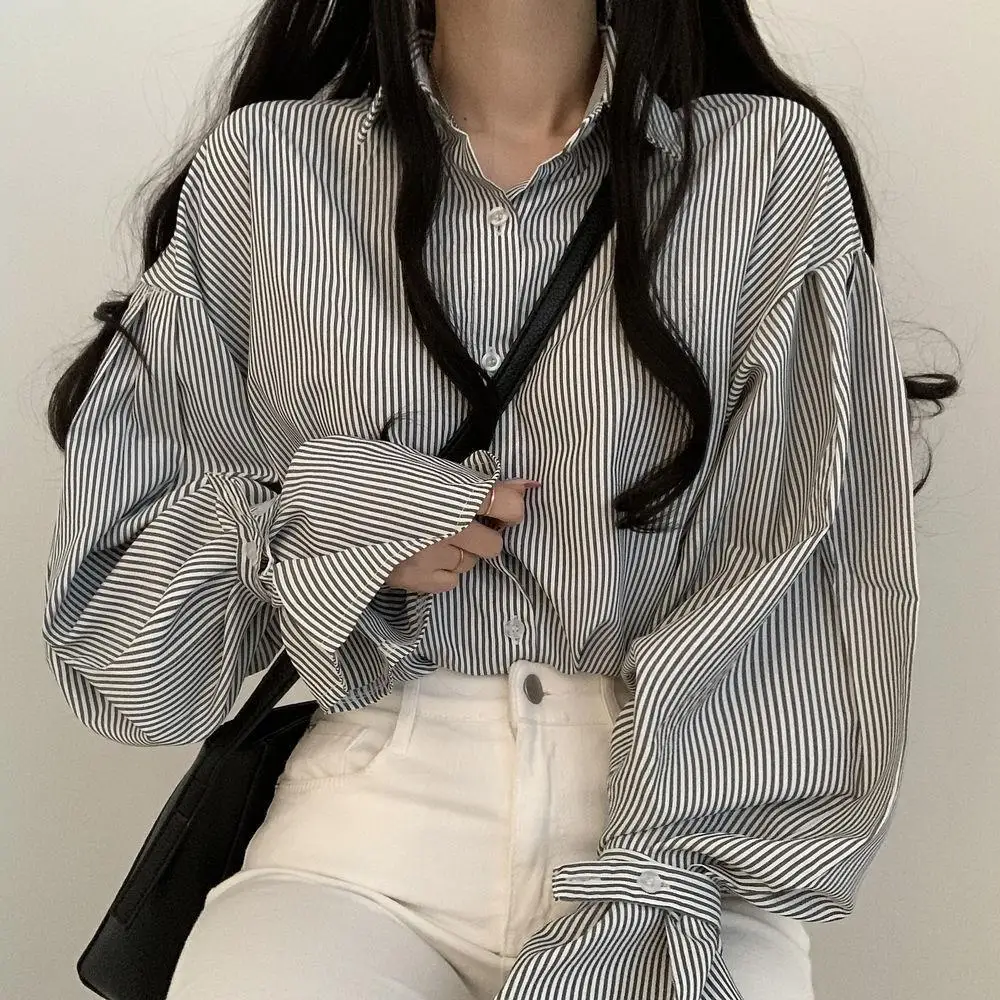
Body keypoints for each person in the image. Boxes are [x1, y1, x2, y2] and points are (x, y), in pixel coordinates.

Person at [42, 1, 958, 998]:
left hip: (686, 834)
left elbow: (811, 581)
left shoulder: (766, 165)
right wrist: (332, 527)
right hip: (369, 832)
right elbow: (123, 651)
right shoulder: (269, 169)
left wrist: (659, 874)